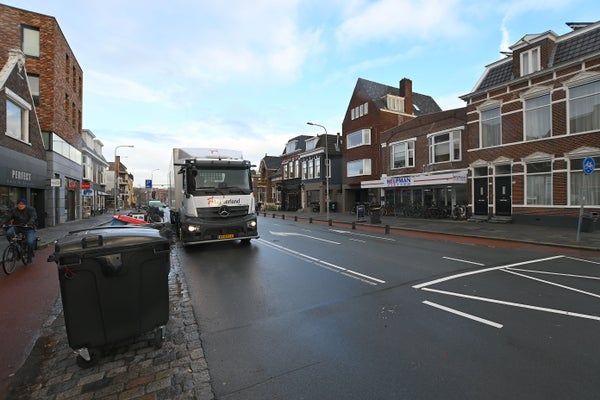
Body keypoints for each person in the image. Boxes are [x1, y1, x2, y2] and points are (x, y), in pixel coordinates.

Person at [2, 198, 37, 262]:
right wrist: (2, 223)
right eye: (19, 204)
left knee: (30, 242)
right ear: (17, 204)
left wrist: (29, 223)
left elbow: (33, 217)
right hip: (17, 227)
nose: (21, 205)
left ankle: (29, 255)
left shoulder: (31, 209)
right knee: (8, 233)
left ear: (25, 205)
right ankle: (15, 247)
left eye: (22, 204)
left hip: (28, 228)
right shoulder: (13, 210)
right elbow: (8, 217)